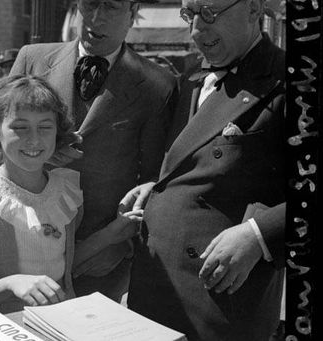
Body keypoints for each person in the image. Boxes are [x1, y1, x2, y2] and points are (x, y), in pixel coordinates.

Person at [0, 0, 177, 302]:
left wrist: (121, 244)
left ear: (133, 14)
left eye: (110, 7)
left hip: (101, 262)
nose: (96, 18)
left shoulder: (157, 85)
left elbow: (152, 181)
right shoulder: (32, 60)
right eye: (90, 4)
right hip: (20, 253)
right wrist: (35, 153)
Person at [124, 0, 286, 340]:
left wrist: (258, 234)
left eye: (210, 13)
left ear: (255, 9)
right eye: (189, 14)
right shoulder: (192, 80)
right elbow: (190, 166)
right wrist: (156, 188)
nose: (196, 30)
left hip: (220, 309)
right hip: (155, 293)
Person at [0, 74, 142, 313]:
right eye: (20, 127)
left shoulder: (65, 193)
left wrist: (112, 233)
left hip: (60, 318)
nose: (34, 139)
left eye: (45, 127)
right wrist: (11, 283)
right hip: (9, 325)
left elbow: (63, 264)